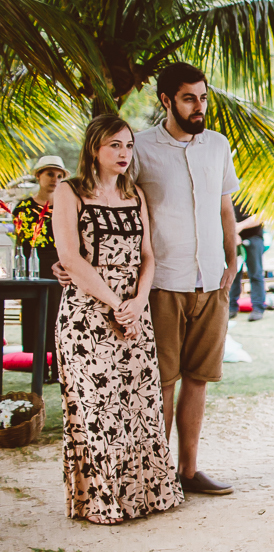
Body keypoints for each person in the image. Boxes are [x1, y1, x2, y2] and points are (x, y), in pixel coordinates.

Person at [58, 63, 240, 494]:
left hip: (211, 281)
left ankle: (189, 471)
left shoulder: (217, 145)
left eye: (203, 96)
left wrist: (233, 264)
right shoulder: (138, 148)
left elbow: (225, 208)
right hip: (160, 285)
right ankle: (154, 475)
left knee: (200, 379)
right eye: (189, 98)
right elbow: (110, 202)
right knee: (159, 381)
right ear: (166, 100)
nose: (199, 106)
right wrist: (70, 259)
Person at [54, 115, 182, 524]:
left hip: (133, 313)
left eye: (128, 145)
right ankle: (102, 501)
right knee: (99, 408)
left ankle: (146, 496)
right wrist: (115, 304)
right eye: (114, 145)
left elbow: (148, 255)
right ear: (94, 148)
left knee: (140, 406)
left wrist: (140, 301)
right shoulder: (69, 192)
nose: (124, 153)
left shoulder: (135, 194)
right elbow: (71, 258)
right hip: (87, 316)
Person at [14, 155, 67, 377]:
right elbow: (21, 242)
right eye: (49, 174)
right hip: (33, 264)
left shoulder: (67, 206)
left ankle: (58, 368)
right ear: (38, 175)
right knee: (37, 315)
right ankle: (39, 367)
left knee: (59, 315)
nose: (54, 179)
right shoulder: (23, 208)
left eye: (59, 175)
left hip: (62, 266)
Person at [228, 198, 266, 321]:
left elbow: (262, 215)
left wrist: (240, 227)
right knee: (233, 274)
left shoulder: (255, 192)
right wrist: (233, 234)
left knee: (255, 274)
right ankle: (231, 307)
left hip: (253, 237)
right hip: (232, 238)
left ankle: (258, 307)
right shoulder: (228, 193)